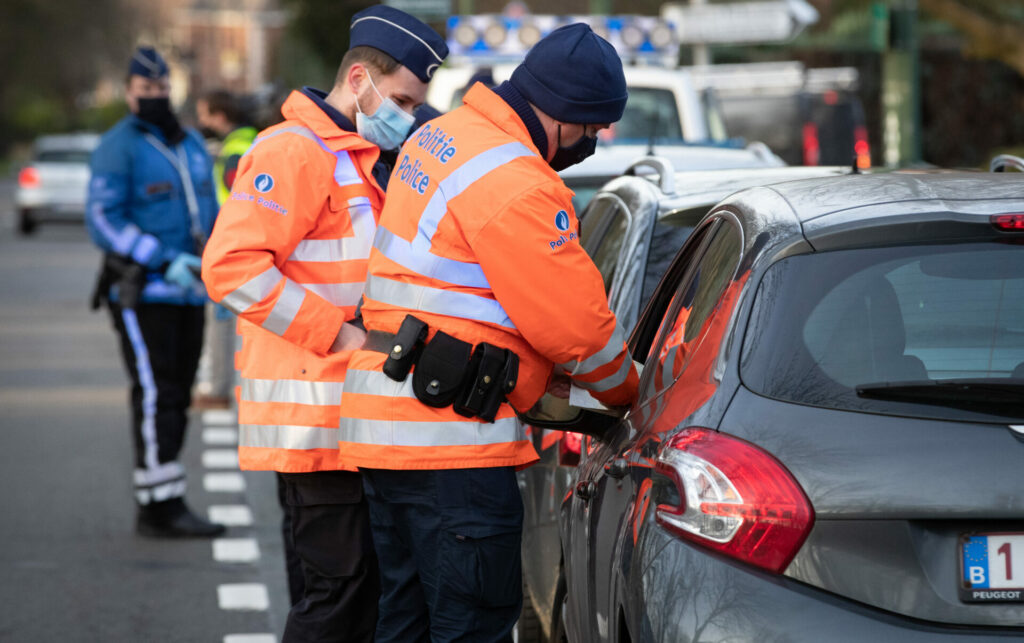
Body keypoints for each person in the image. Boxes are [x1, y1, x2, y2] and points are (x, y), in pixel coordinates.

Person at [336, 23, 640, 642]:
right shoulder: (518, 180)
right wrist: (634, 393)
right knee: (470, 629)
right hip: (450, 448)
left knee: (406, 624)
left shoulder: (441, 138)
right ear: (565, 113)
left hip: (388, 426)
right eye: (592, 129)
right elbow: (577, 330)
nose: (592, 143)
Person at [200, 7, 448, 641]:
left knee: (350, 599)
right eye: (398, 99)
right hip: (316, 420)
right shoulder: (293, 151)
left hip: (348, 418)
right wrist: (338, 335)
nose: (407, 115)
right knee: (339, 603)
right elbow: (231, 268)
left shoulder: (357, 156)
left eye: (415, 105)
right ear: (358, 78)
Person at [86, 46, 224, 538]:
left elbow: (208, 214)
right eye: (146, 90)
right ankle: (158, 506)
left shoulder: (188, 143)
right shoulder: (118, 146)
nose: (156, 97)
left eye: (163, 89)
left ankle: (164, 495)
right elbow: (103, 219)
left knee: (177, 395)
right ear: (129, 93)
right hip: (144, 293)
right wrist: (164, 259)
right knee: (154, 393)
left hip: (190, 292)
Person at [194, 89, 259, 409]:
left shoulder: (235, 149)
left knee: (221, 321)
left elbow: (242, 200)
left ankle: (218, 390)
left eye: (204, 113)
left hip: (233, 246)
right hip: (245, 245)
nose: (201, 121)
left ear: (220, 115)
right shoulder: (250, 139)